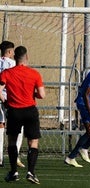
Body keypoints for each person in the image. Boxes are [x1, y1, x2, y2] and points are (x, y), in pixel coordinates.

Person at [0, 46, 45, 184]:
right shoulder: (35, 74)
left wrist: (5, 101)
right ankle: (31, 172)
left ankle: (14, 171)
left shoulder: (7, 73)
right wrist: (34, 94)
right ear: (27, 57)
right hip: (30, 110)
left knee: (12, 141)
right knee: (33, 142)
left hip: (14, 111)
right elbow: (42, 95)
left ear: (14, 58)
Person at [0, 41, 25, 168]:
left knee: (1, 126)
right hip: (10, 99)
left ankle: (0, 158)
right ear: (10, 52)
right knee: (18, 128)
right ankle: (15, 156)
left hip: (0, 98)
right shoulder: (12, 64)